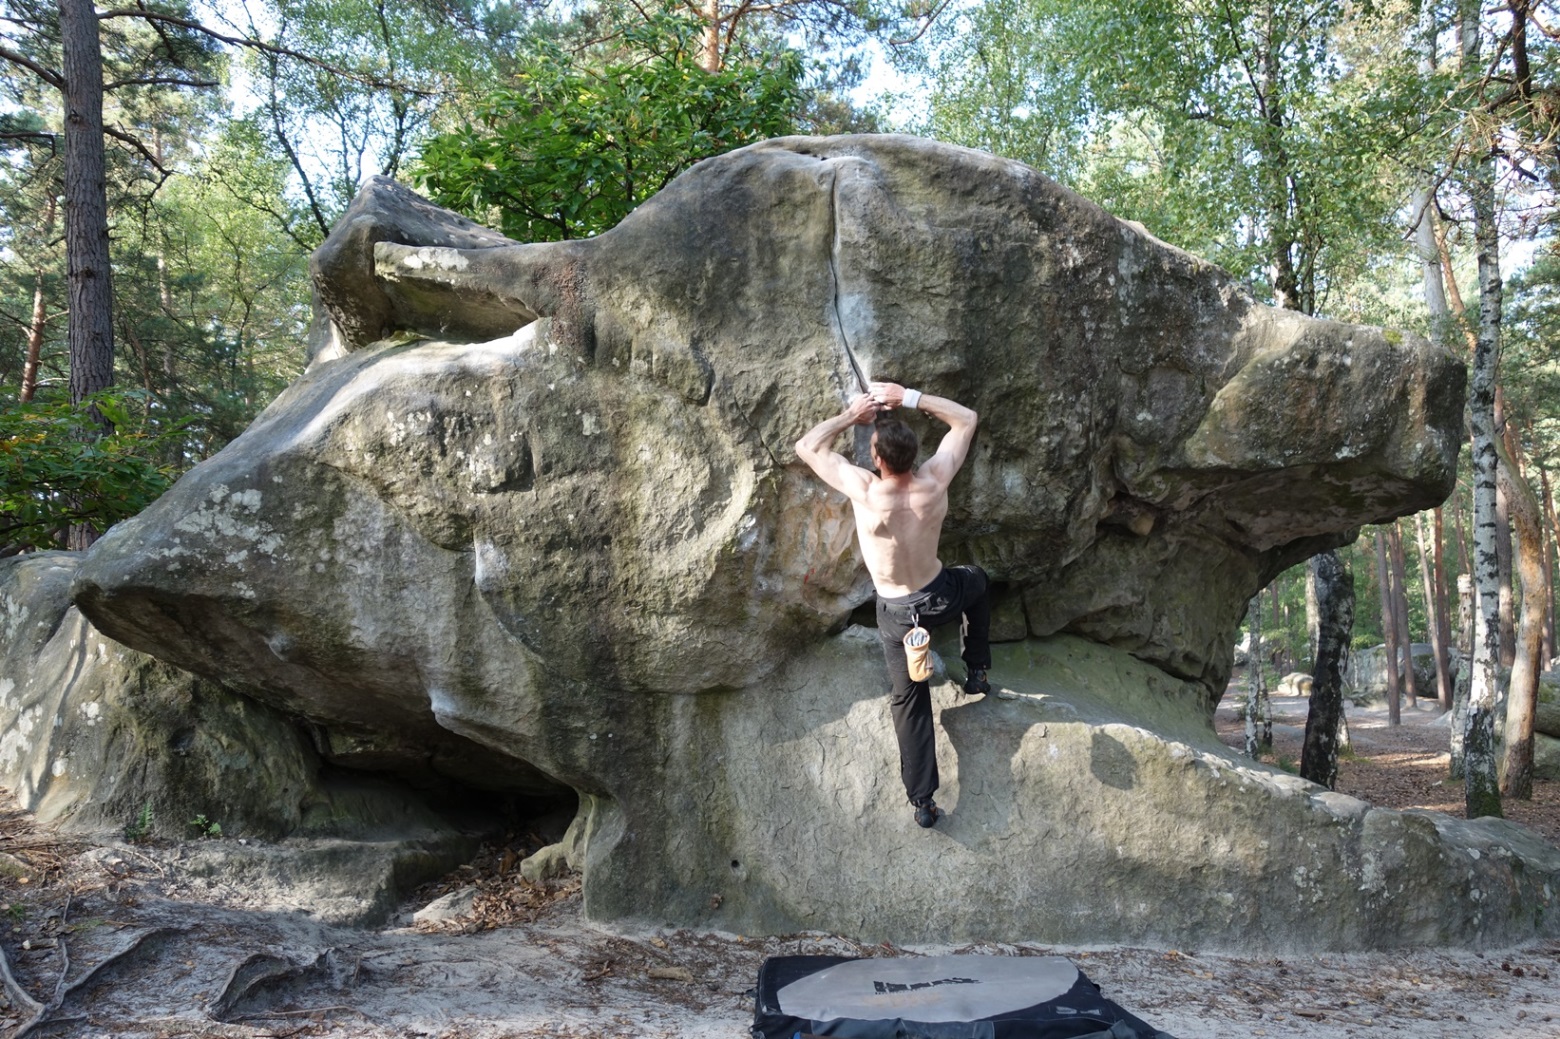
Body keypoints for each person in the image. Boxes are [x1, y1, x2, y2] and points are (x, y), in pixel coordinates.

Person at [794, 380, 992, 829]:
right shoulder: (936, 478)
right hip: (941, 594)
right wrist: (909, 397)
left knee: (910, 699)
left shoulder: (866, 490)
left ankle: (923, 803)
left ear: (876, 460)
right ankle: (978, 669)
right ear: (915, 455)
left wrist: (853, 415)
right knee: (977, 582)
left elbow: (806, 446)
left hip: (899, 616)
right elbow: (967, 419)